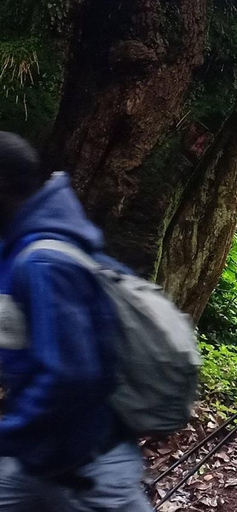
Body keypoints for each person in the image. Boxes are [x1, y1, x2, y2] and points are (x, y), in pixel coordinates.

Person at [0, 132, 152, 511]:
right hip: (46, 461)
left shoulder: (44, 261)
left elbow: (72, 375)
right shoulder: (22, 247)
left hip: (90, 470)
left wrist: (9, 435)